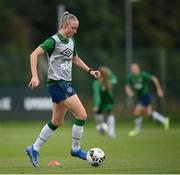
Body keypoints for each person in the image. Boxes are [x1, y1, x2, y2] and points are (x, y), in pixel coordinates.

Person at [26, 11, 101, 167]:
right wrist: (35, 76)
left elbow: (75, 58)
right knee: (82, 115)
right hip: (58, 83)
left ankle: (34, 148)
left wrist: (89, 70)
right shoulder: (53, 41)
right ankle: (76, 149)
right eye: (73, 28)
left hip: (64, 83)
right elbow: (34, 54)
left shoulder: (71, 41)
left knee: (57, 121)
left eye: (76, 28)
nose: (75, 31)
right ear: (65, 25)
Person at [125, 63, 169, 137]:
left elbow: (154, 79)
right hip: (140, 97)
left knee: (136, 112)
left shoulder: (143, 75)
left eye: (135, 69)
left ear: (138, 69)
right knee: (149, 114)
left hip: (146, 96)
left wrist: (158, 89)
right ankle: (164, 120)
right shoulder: (130, 77)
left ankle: (137, 130)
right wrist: (129, 92)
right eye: (132, 69)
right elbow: (127, 86)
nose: (133, 70)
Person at [92, 66, 118, 138]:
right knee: (102, 115)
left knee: (108, 114)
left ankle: (110, 132)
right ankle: (103, 128)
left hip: (106, 102)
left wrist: (97, 105)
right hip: (102, 102)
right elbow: (97, 95)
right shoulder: (97, 83)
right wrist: (97, 105)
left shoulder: (108, 82)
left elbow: (115, 79)